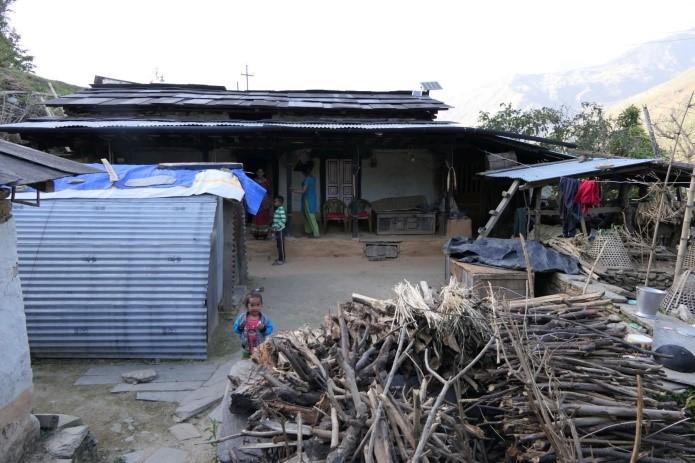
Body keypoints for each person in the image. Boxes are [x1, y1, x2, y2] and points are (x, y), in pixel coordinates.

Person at [232, 292, 273, 358]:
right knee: (245, 363)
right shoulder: (242, 318)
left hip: (259, 348)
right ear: (247, 306)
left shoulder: (264, 319)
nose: (255, 308)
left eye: (258, 305)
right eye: (252, 305)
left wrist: (263, 329)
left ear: (261, 305)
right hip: (246, 348)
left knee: (259, 363)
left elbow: (270, 329)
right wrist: (240, 327)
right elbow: (235, 328)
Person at [297, 167, 320, 238]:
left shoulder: (307, 179)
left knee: (309, 216)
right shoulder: (313, 179)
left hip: (308, 199)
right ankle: (309, 231)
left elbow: (303, 191)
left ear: (304, 173)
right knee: (308, 215)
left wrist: (293, 191)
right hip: (311, 198)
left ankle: (315, 233)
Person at [250, 168, 272, 239]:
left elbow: (269, 191)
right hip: (256, 200)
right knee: (256, 217)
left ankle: (264, 234)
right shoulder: (254, 181)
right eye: (258, 172)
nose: (260, 173)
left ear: (263, 173)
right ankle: (256, 234)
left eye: (261, 172)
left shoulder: (266, 181)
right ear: (257, 173)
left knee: (264, 217)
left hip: (265, 200)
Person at [270, 195, 287, 265]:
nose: (274, 203)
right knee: (278, 245)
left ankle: (282, 260)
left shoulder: (281, 209)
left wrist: (276, 227)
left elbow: (283, 220)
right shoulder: (278, 209)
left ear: (279, 202)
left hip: (280, 230)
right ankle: (280, 258)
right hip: (278, 230)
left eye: (275, 201)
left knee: (281, 245)